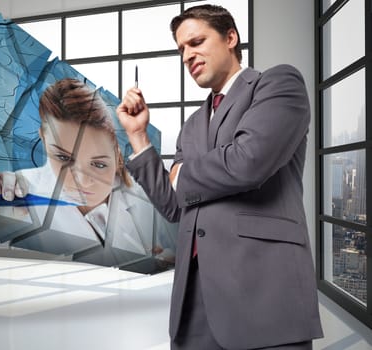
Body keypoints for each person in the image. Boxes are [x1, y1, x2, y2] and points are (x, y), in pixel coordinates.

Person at [117, 4, 323, 349]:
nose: (187, 55)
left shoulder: (277, 84)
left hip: (264, 293)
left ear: (231, 37)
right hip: (194, 300)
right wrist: (139, 136)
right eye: (181, 49)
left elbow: (249, 162)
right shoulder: (192, 125)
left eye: (196, 42)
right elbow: (173, 204)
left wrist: (182, 174)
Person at [0, 78, 177, 273]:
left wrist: (172, 262)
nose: (82, 180)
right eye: (62, 157)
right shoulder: (18, 195)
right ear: (43, 139)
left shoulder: (147, 193)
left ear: (117, 151)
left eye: (98, 164)